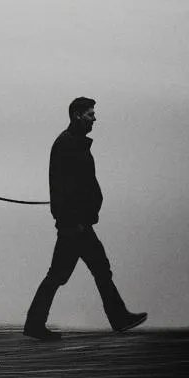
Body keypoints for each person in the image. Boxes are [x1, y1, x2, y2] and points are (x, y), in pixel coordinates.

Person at [24, 97, 146, 341]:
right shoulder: (67, 144)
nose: (94, 118)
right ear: (77, 115)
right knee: (72, 272)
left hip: (77, 223)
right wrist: (73, 220)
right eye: (90, 114)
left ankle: (117, 317)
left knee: (82, 270)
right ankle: (117, 318)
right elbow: (64, 186)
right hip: (75, 225)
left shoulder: (73, 143)